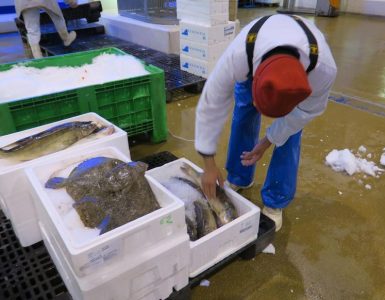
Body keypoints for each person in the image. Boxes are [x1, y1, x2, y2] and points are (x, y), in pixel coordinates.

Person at [194, 14, 337, 231]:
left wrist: (267, 141)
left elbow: (304, 113)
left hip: (301, 72)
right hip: (257, 54)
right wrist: (209, 165)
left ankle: (276, 199)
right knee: (244, 113)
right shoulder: (239, 56)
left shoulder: (323, 70)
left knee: (290, 135)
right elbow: (210, 103)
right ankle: (239, 176)